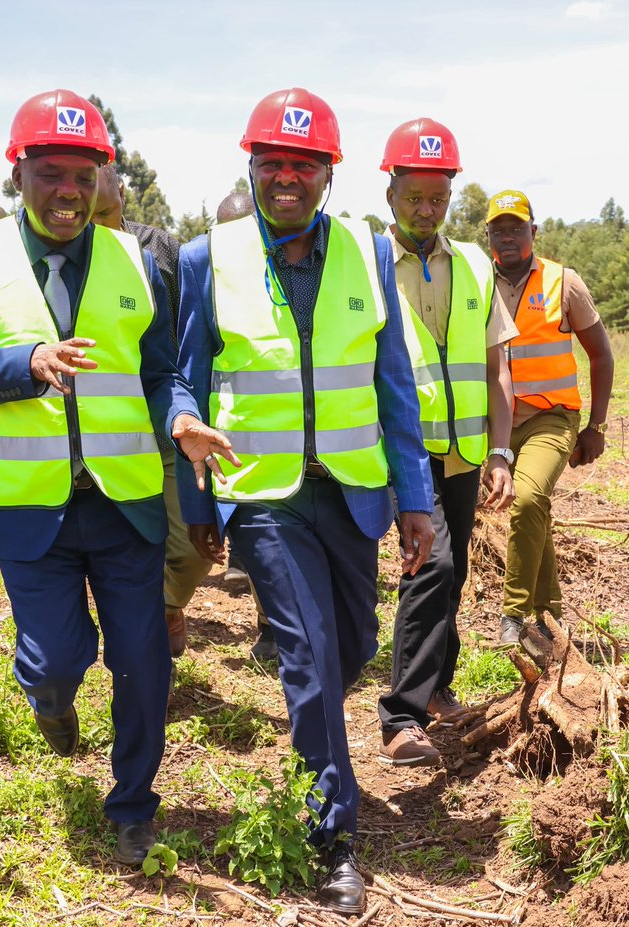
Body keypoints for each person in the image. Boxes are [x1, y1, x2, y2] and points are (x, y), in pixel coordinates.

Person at [0, 89, 237, 866]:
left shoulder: (139, 258)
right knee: (58, 659)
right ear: (19, 172)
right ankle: (50, 699)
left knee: (144, 660)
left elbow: (161, 368)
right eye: (52, 173)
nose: (69, 190)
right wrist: (26, 363)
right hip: (28, 507)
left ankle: (133, 802)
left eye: (85, 174)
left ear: (105, 176)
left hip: (125, 504)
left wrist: (180, 417)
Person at [177, 88, 434, 913]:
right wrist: (183, 421)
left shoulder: (367, 252)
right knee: (312, 658)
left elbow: (395, 384)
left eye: (304, 164)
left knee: (353, 644)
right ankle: (334, 838)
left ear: (329, 173)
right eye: (272, 163)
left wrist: (415, 498)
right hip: (263, 493)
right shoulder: (205, 257)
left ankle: (314, 737)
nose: (287, 176)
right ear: (250, 166)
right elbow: (184, 372)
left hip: (353, 491)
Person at [374, 119, 517, 767]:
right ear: (391, 193)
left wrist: (502, 451)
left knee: (452, 567)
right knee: (427, 566)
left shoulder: (477, 265)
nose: (427, 209)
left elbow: (498, 368)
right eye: (415, 197)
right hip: (403, 448)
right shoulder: (368, 264)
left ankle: (435, 687)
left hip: (462, 447)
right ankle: (401, 715)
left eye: (439, 197)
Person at [486, 190, 614, 645]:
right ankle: (552, 616)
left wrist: (595, 426)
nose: (506, 238)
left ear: (533, 232)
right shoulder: (476, 282)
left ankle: (514, 617)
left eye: (516, 228)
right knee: (535, 507)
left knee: (525, 499)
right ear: (487, 237)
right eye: (497, 230)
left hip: (551, 417)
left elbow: (601, 355)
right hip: (495, 422)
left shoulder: (565, 282)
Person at [91, 163, 205, 657]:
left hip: (165, 420)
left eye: (99, 172)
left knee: (193, 544)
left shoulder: (159, 247)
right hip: (101, 432)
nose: (89, 183)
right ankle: (138, 647)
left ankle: (167, 604)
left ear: (119, 182)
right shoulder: (60, 255)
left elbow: (188, 325)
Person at [214, 187, 277, 664]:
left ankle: (273, 629)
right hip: (224, 440)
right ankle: (270, 628)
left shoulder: (283, 277)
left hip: (279, 442)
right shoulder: (206, 277)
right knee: (256, 544)